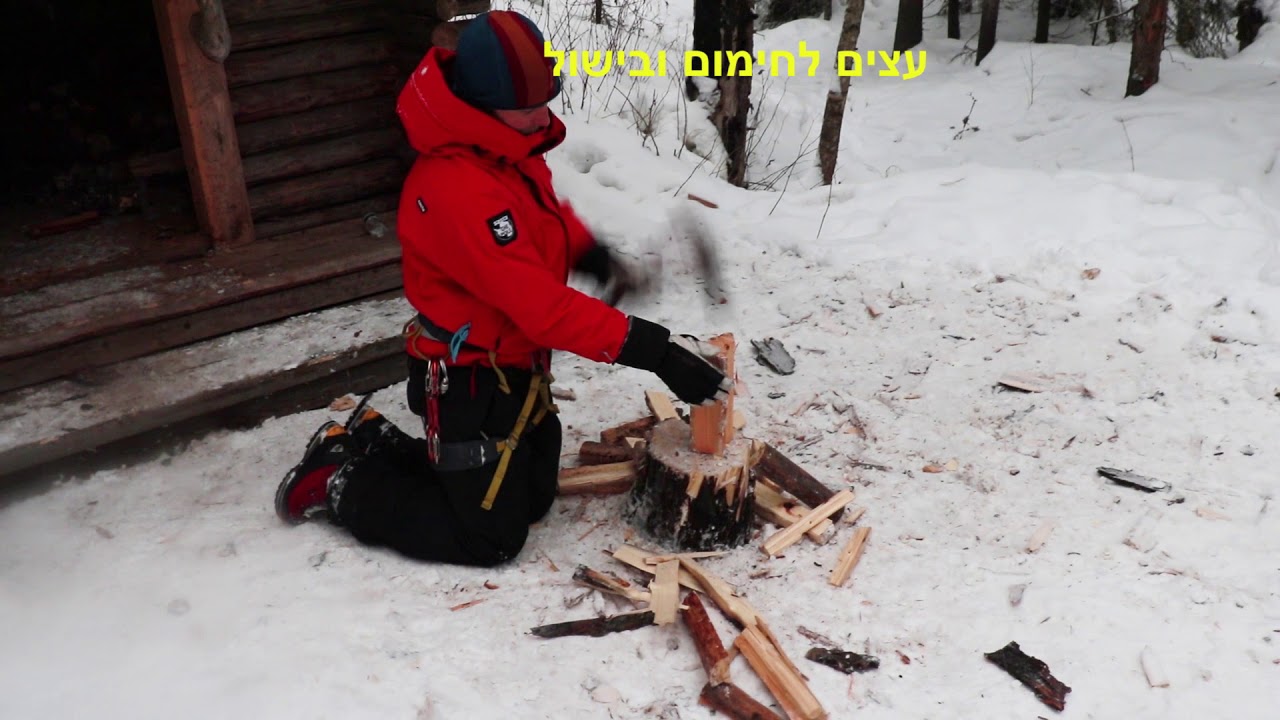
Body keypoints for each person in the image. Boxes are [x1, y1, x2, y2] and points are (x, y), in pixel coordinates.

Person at [273, 11, 731, 568]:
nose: (544, 116)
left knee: (534, 498)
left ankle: (377, 442)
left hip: (517, 362)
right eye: (527, 106)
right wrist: (656, 352)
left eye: (546, 97)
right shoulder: (456, 186)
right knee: (490, 538)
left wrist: (592, 256)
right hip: (467, 373)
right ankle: (337, 480)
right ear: (480, 102)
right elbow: (543, 309)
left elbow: (539, 221)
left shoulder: (504, 146)